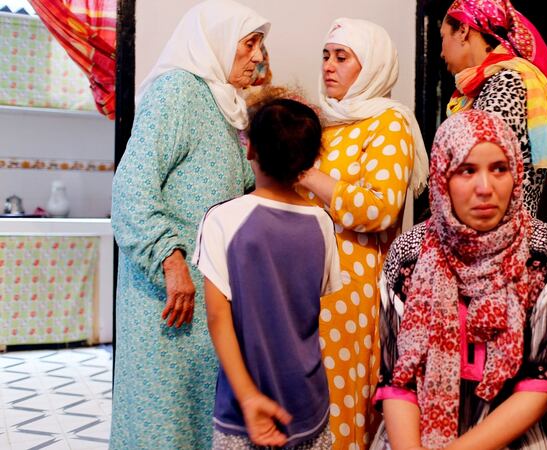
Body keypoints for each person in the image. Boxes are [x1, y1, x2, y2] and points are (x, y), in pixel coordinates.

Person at [371, 109, 547, 450]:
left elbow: (542, 386)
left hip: (515, 439)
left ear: (516, 174)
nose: (485, 188)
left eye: (499, 169)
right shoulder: (409, 252)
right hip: (413, 435)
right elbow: (398, 379)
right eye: (467, 170)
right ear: (441, 177)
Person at [110, 0, 269, 446]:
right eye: (250, 43)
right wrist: (170, 261)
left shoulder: (225, 105)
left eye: (261, 45)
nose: (258, 56)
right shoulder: (177, 91)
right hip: (167, 298)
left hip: (206, 304)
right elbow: (131, 191)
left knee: (196, 424)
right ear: (215, 41)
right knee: (161, 425)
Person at [295, 17, 429, 449]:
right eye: (326, 56)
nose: (328, 67)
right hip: (306, 285)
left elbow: (379, 208)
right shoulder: (327, 123)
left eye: (342, 57)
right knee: (305, 403)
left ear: (370, 66)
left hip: (352, 292)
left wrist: (307, 176)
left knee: (342, 402)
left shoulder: (388, 123)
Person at [194, 98, 342, 450]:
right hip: (309, 405)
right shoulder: (322, 222)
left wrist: (248, 397)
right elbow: (312, 298)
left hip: (244, 411)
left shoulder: (222, 220)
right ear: (309, 161)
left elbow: (217, 316)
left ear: (251, 150)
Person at [440, 0, 547, 218]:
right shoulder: (490, 84)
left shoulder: (505, 84)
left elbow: (484, 177)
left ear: (462, 30)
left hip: (500, 237)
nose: (441, 52)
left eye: (442, 37)